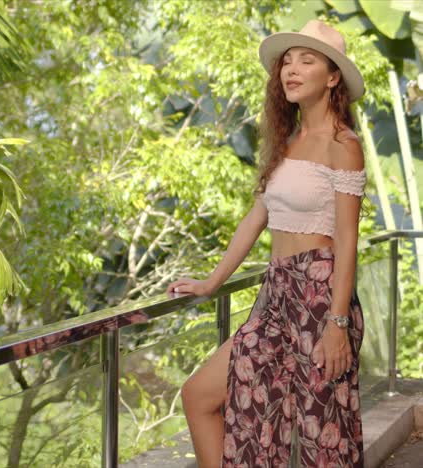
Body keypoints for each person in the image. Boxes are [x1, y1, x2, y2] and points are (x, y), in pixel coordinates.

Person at [167, 19, 367, 468]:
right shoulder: (288, 140)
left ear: (332, 76)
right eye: (287, 61)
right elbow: (256, 218)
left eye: (307, 60)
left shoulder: (343, 144)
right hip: (276, 295)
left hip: (321, 297)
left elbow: (347, 242)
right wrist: (210, 282)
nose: (292, 69)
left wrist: (337, 324)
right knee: (200, 395)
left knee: (323, 439)